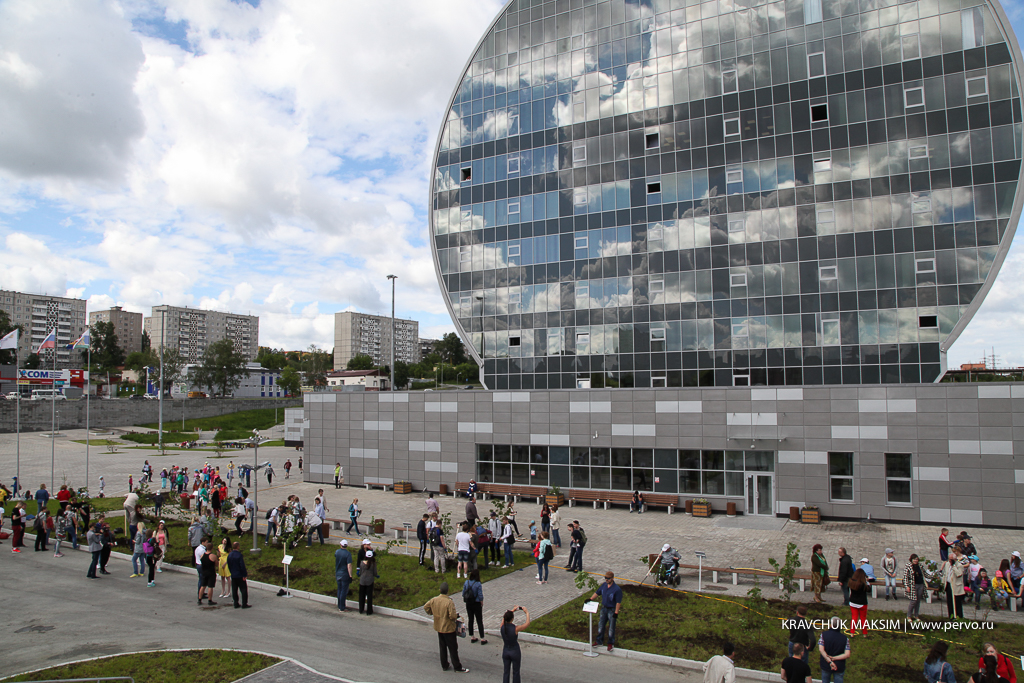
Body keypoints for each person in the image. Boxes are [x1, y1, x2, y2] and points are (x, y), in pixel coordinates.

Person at [423, 582, 468, 672]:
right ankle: (457, 667)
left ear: (440, 590)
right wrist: (456, 616)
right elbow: (452, 616)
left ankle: (444, 665)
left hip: (439, 627)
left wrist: (432, 613)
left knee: (442, 647)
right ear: (447, 591)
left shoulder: (434, 600)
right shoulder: (449, 602)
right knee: (453, 648)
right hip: (448, 629)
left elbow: (426, 607)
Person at [590, 571, 622, 652]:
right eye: (605, 578)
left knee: (611, 627)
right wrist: (590, 599)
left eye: (608, 578)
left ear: (613, 578)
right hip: (604, 608)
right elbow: (597, 592)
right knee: (601, 625)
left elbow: (618, 602)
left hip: (611, 610)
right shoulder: (604, 585)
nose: (607, 580)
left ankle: (610, 643)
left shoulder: (617, 589)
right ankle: (599, 641)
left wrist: (616, 612)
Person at [501, 605, 530, 683]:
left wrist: (512, 610)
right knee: (516, 672)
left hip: (506, 651)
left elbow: (504, 618)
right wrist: (527, 613)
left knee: (506, 672)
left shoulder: (502, 627)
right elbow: (527, 624)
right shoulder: (515, 629)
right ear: (512, 619)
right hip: (515, 651)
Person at [818, 617, 851, 683]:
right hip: (839, 666)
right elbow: (847, 654)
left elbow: (821, 650)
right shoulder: (845, 639)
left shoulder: (823, 635)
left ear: (831, 624)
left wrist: (829, 660)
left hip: (826, 665)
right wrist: (834, 658)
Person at [462, 569, 486, 643]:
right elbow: (480, 595)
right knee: (479, 620)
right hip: (476, 603)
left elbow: (463, 593)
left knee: (470, 619)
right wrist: (481, 602)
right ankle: (482, 638)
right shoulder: (478, 584)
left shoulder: (466, 582)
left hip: (468, 603)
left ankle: (472, 636)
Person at [903, 554, 926, 621]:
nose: (915, 560)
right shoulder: (908, 566)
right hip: (913, 585)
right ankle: (909, 616)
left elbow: (925, 574)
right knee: (913, 601)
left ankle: (916, 615)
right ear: (911, 560)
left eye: (916, 559)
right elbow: (905, 577)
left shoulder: (920, 566)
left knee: (918, 601)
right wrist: (907, 586)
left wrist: (934, 576)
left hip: (920, 584)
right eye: (914, 559)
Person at [847, 568, 869, 636]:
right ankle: (864, 633)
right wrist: (867, 582)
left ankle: (852, 632)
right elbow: (869, 590)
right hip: (862, 603)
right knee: (863, 618)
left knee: (854, 618)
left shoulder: (851, 582)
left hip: (853, 602)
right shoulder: (863, 584)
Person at [943, 552, 965, 618]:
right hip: (948, 585)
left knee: (957, 603)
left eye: (951, 560)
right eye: (949, 559)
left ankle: (959, 617)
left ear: (955, 559)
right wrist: (943, 583)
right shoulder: (947, 564)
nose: (949, 561)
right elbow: (945, 574)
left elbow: (959, 574)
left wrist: (954, 567)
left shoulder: (959, 566)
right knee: (949, 602)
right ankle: (951, 617)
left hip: (956, 586)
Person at [335, 539, 353, 611]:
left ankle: (339, 605)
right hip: (345, 574)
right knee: (344, 591)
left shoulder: (337, 552)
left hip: (338, 573)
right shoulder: (348, 554)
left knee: (339, 589)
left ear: (340, 545)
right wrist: (350, 575)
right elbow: (349, 565)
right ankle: (342, 607)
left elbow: (336, 556)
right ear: (347, 546)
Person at [358, 550, 378, 615]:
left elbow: (360, 571)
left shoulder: (362, 563)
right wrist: (376, 575)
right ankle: (369, 611)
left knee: (361, 595)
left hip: (362, 580)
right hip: (370, 581)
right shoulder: (373, 563)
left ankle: (361, 609)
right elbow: (375, 573)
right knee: (369, 596)